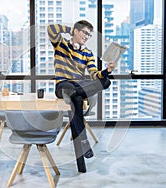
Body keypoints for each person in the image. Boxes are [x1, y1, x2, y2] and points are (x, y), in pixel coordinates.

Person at [47, 20, 116, 158]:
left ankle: (83, 142)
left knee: (105, 82)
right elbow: (51, 29)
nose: (86, 36)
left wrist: (106, 70)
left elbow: (94, 74)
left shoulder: (87, 53)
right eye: (84, 32)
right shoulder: (61, 44)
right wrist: (69, 29)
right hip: (63, 85)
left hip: (78, 86)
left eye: (89, 35)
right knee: (74, 95)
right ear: (76, 31)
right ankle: (84, 142)